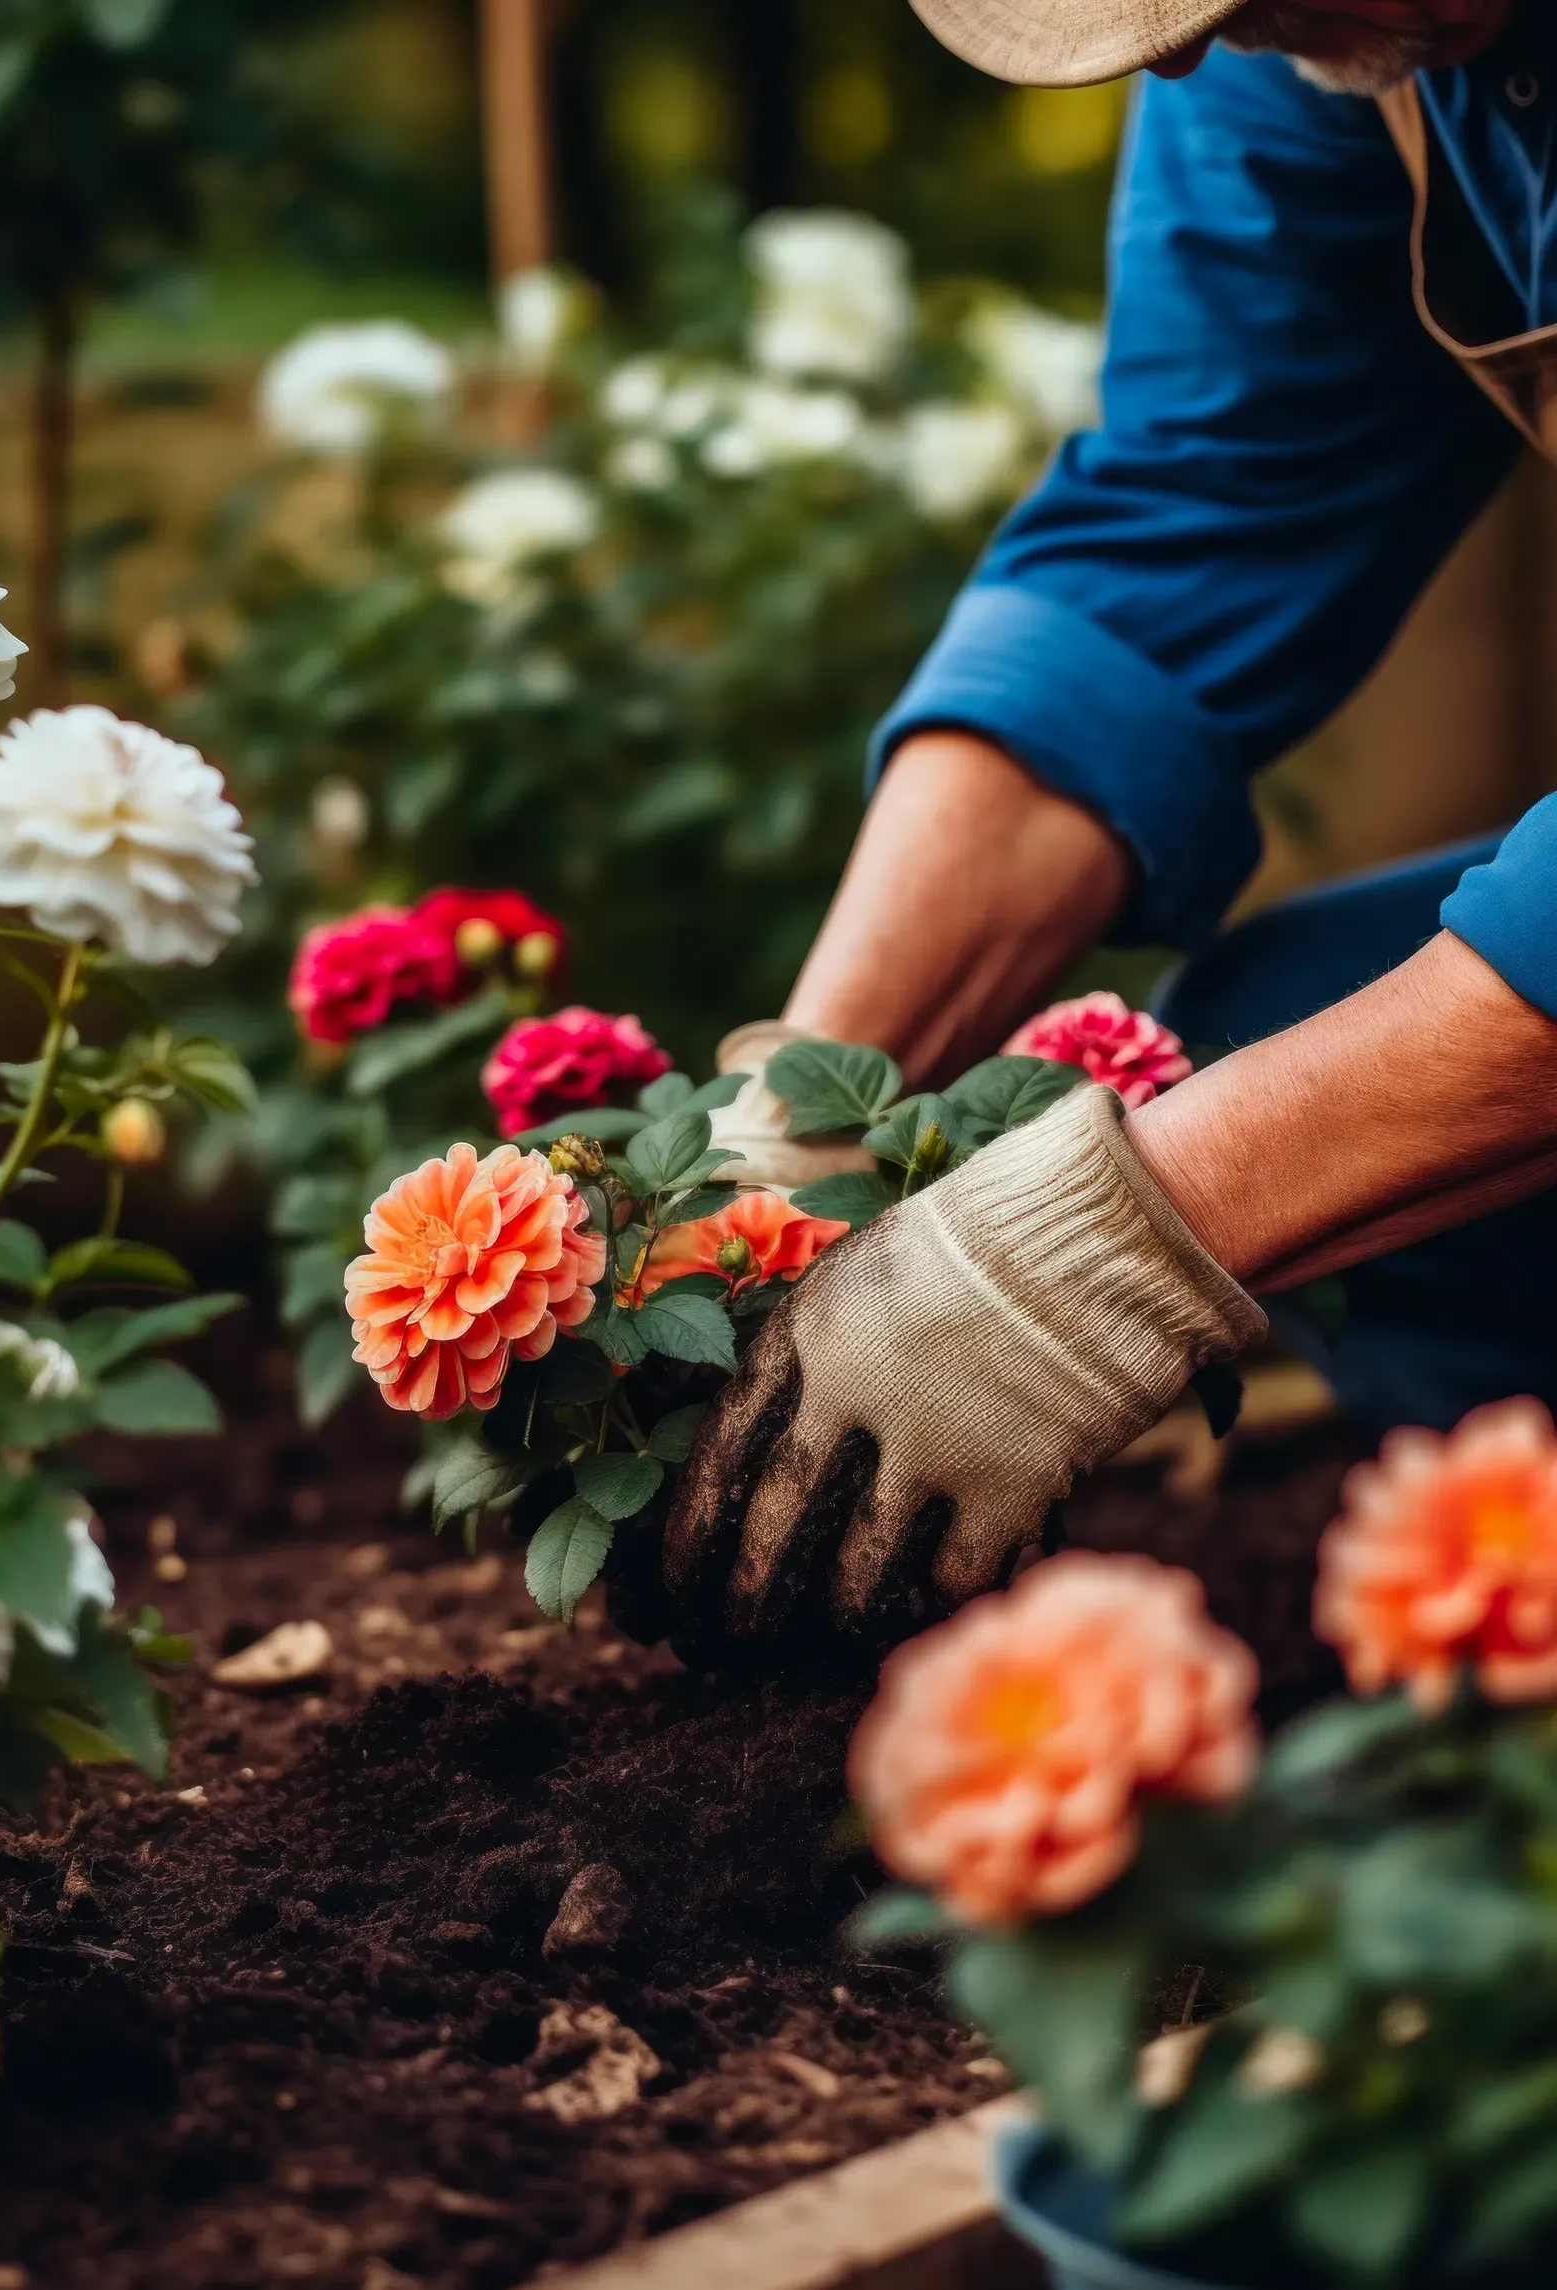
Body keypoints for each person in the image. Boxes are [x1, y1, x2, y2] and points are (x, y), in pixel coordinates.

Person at [661, 0, 1557, 1645]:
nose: (1172, 56)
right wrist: (794, 1110)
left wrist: (1103, 1249)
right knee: (1268, 1045)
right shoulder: (1338, 46)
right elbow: (1206, 510)